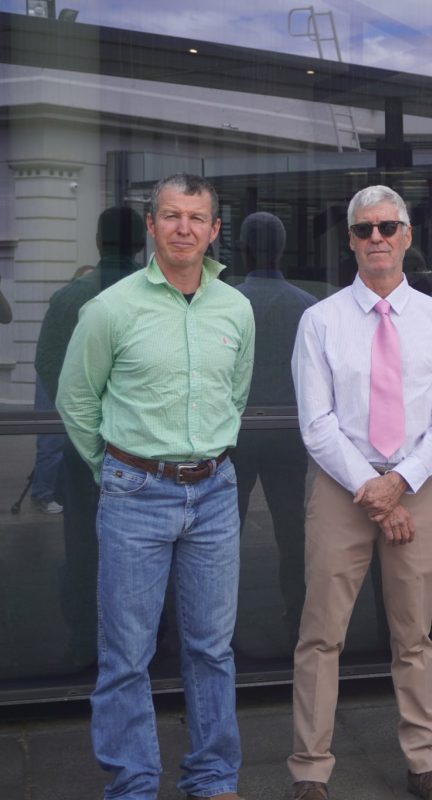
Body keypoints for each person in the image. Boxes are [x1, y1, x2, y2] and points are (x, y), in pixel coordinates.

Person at [56, 173, 254, 800]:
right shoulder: (111, 308)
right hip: (136, 492)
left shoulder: (237, 308)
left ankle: (214, 778)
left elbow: (237, 393)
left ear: (215, 230)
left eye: (197, 218)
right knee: (126, 655)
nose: (184, 229)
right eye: (171, 216)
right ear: (151, 225)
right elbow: (76, 400)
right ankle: (134, 783)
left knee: (212, 649)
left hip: (215, 492)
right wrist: (113, 468)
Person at [288, 185, 432, 800]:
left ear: (407, 236)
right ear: (350, 242)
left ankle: (426, 763)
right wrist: (371, 486)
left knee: (414, 636)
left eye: (388, 228)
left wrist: (399, 483)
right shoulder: (321, 320)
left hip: (415, 486)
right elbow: (316, 423)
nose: (377, 239)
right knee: (321, 635)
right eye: (364, 230)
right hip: (344, 490)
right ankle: (310, 770)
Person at [36, 205, 146, 662]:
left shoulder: (69, 297)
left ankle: (86, 641)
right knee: (148, 556)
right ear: (144, 242)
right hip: (146, 449)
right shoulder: (161, 295)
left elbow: (49, 369)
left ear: (99, 243)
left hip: (87, 451)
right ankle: (145, 645)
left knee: (85, 550)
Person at [229, 211, 316, 643]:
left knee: (226, 532)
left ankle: (220, 617)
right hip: (288, 434)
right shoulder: (306, 306)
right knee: (291, 527)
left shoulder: (223, 302)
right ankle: (299, 610)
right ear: (282, 250)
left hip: (235, 436)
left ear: (241, 249)